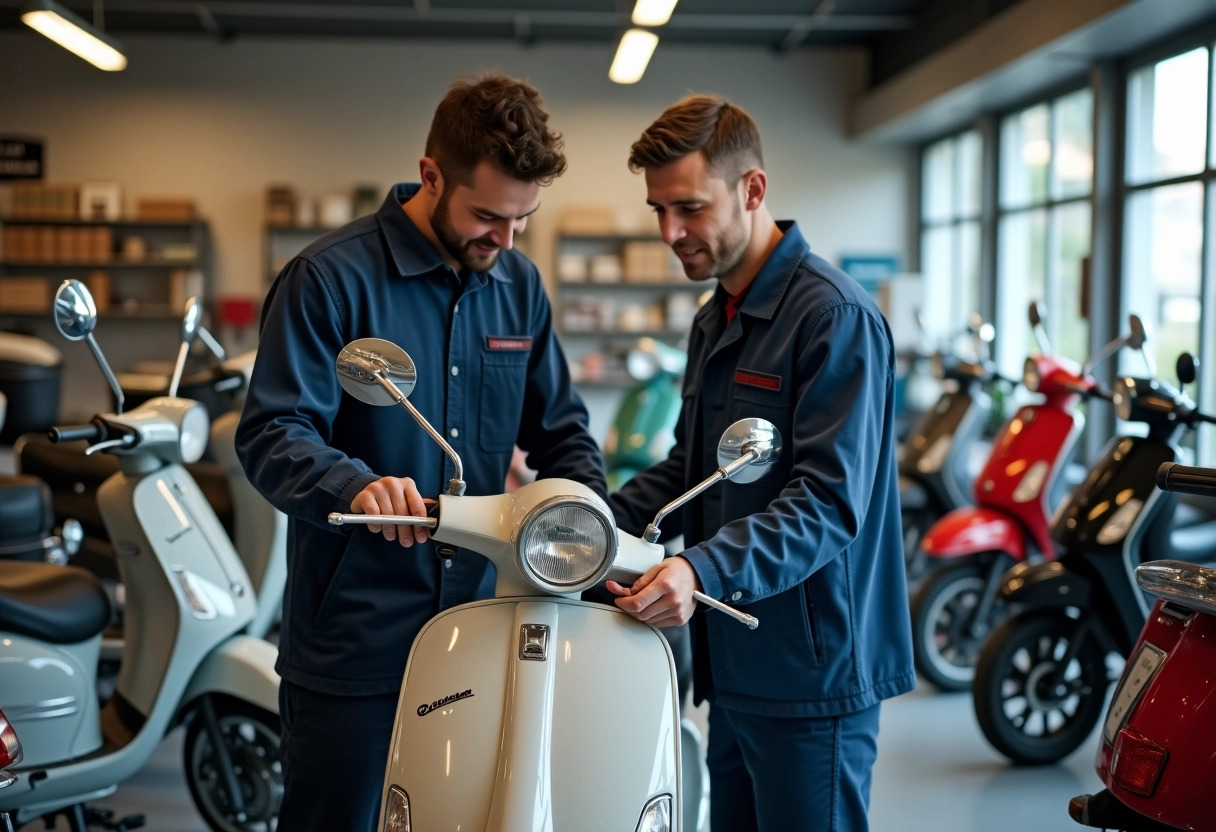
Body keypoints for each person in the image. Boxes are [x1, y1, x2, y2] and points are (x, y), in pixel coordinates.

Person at [236, 74, 607, 832]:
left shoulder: (518, 286)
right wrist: (355, 485)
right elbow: (273, 432)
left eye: (523, 220)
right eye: (487, 217)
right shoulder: (328, 280)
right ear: (431, 175)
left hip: (486, 625)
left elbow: (564, 434)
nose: (505, 242)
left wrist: (588, 533)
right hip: (356, 639)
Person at [604, 94, 914, 831]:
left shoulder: (833, 319)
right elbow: (691, 471)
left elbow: (828, 502)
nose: (670, 232)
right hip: (736, 666)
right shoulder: (718, 316)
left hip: (813, 676)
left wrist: (700, 570)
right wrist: (580, 514)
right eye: (658, 210)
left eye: (689, 208)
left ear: (752, 189)